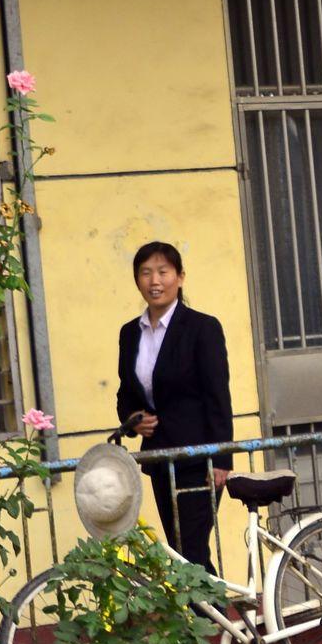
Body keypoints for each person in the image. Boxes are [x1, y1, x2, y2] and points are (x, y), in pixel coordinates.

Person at [114, 241, 234, 571]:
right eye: (146, 273)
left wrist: (222, 457)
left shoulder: (202, 328)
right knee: (180, 551)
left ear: (179, 277)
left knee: (191, 551)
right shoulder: (130, 334)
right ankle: (213, 621)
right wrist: (132, 419)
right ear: (137, 280)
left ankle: (212, 621)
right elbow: (127, 393)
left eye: (163, 272)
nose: (155, 281)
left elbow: (217, 396)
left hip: (200, 459)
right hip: (160, 456)